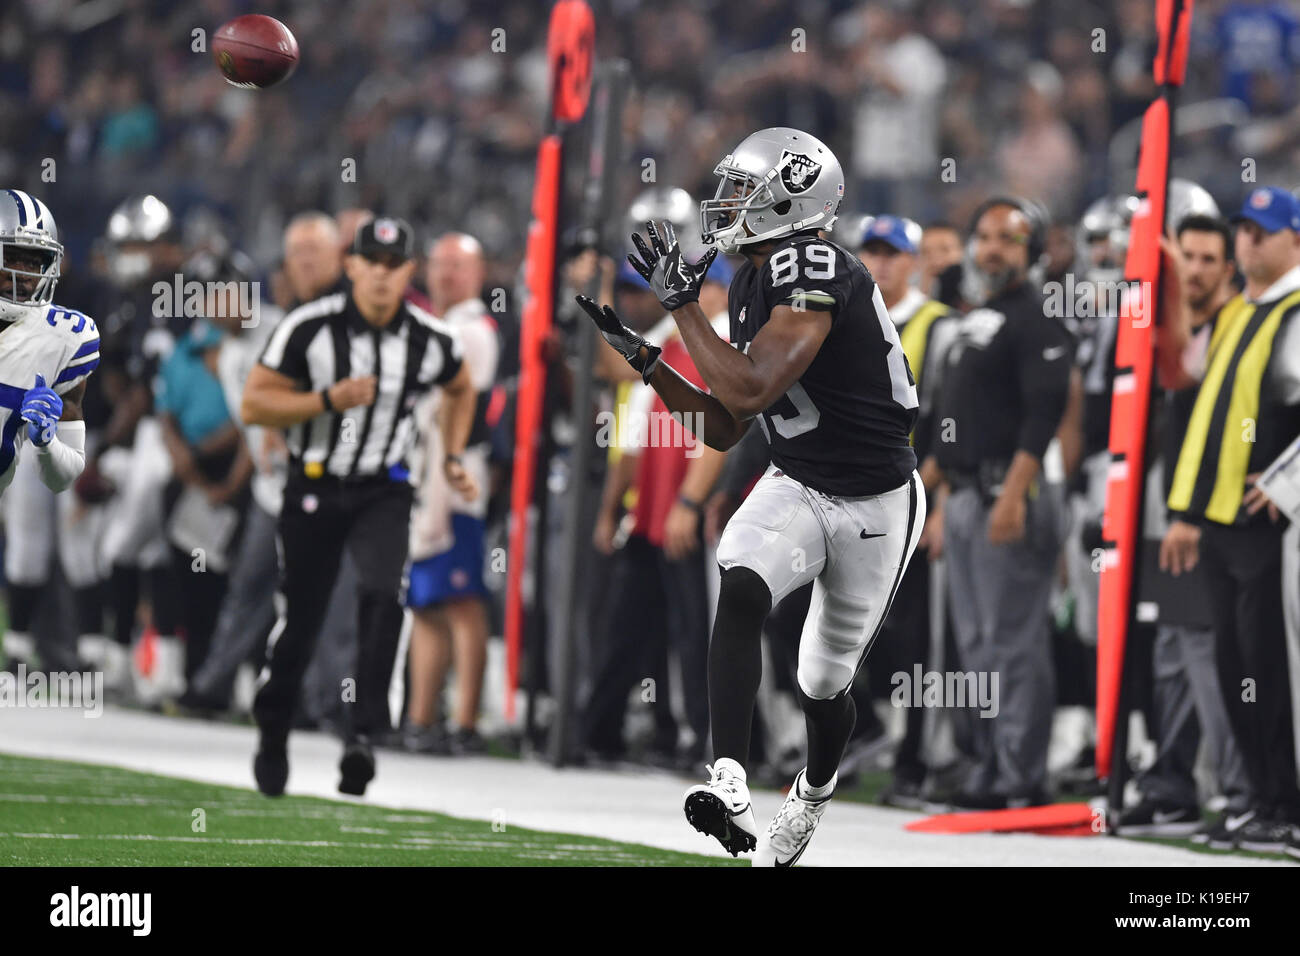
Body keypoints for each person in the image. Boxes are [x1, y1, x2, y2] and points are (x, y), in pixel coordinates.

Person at [577, 127, 924, 866]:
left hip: (873, 497)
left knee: (823, 681)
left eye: (746, 190)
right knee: (739, 582)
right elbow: (729, 424)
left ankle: (813, 792)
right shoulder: (749, 279)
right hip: (799, 475)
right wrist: (648, 361)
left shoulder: (817, 260)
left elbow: (754, 384)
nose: (728, 202)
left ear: (793, 200)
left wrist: (681, 311)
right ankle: (729, 775)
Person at [241, 217, 479, 798]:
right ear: (350, 266)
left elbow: (461, 384)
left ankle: (363, 733)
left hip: (383, 489)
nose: (380, 275)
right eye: (370, 262)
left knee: (381, 598)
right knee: (303, 615)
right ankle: (274, 726)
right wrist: (325, 400)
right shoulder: (309, 327)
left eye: (393, 265)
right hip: (316, 484)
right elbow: (254, 403)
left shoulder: (429, 336)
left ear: (408, 272)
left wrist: (450, 456)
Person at [1161, 187, 1300, 853]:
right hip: (1220, 520)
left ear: (1294, 241)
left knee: (1272, 670)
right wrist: (1185, 508)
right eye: (1242, 229)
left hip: (1269, 529)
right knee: (1235, 664)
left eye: (1261, 233)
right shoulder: (1241, 310)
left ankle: (1286, 804)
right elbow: (1202, 412)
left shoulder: (1296, 310)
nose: (1248, 242)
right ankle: (1259, 802)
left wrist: (1289, 484)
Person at [925, 197, 1073, 810]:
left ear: (1033, 251)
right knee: (979, 644)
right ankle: (989, 765)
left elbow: (1044, 416)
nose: (992, 249)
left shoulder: (1039, 317)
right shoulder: (975, 319)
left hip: (1008, 493)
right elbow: (949, 418)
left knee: (1012, 643)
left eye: (1008, 240)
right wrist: (928, 495)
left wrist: (1014, 494)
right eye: (983, 236)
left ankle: (1022, 775)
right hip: (964, 495)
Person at [1117, 214, 1253, 840]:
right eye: (1187, 259)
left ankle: (1241, 792)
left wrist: (1190, 512)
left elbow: (1181, 371)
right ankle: (1173, 786)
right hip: (1169, 504)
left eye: (1206, 259)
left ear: (1230, 266)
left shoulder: (1236, 326)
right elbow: (1173, 363)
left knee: (1207, 653)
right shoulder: (1201, 328)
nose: (1195, 271)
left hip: (1207, 516)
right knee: (1173, 649)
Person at [856, 214, 957, 805]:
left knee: (915, 637)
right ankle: (865, 728)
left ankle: (915, 759)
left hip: (912, 501)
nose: (882, 262)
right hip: (855, 501)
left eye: (893, 252)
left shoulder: (941, 326)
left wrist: (928, 495)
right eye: (872, 251)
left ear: (915, 261)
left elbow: (952, 417)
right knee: (798, 616)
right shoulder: (851, 316)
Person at [404, 233, 500, 755]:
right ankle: (421, 719)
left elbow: (456, 409)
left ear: (478, 272)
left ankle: (466, 722)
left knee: (461, 601)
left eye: (458, 265)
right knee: (425, 603)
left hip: (457, 482)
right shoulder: (436, 327)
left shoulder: (473, 332)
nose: (446, 274)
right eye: (439, 264)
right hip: (426, 482)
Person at [0, 188, 98, 669]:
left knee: (34, 535)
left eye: (36, 261)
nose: (26, 274)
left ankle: (23, 651)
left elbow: (63, 477)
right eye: (13, 258)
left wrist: (44, 443)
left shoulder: (66, 339)